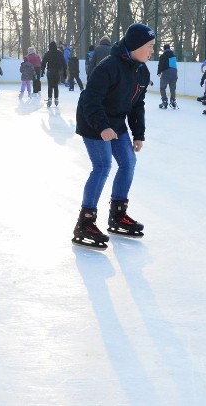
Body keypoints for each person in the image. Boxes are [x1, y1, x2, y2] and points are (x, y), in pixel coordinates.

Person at [73, 23, 155, 250]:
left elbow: (138, 105)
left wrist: (138, 134)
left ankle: (118, 214)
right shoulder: (107, 68)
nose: (151, 51)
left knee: (128, 162)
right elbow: (90, 101)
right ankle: (85, 222)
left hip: (116, 123)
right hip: (93, 121)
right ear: (136, 46)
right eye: (149, 46)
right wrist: (102, 127)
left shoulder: (142, 71)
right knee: (102, 165)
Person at [41, 41, 66, 107]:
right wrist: (64, 72)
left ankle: (49, 100)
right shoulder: (59, 53)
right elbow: (64, 63)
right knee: (56, 86)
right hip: (57, 71)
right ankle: (56, 99)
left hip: (50, 71)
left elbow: (43, 63)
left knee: (50, 86)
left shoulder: (48, 53)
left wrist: (42, 71)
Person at [156, 43, 178, 109]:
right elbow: (174, 66)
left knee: (162, 88)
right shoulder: (173, 56)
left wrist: (159, 72)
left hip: (166, 73)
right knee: (172, 89)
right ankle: (173, 100)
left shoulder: (163, 56)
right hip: (174, 74)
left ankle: (164, 101)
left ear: (164, 49)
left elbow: (160, 65)